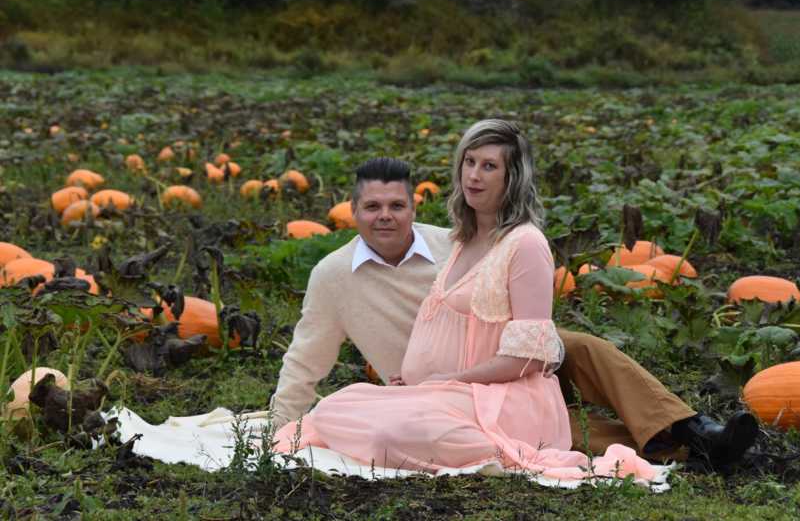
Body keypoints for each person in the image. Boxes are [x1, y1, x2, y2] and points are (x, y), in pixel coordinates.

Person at [271, 121, 757, 476]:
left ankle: (697, 430)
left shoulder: (448, 239)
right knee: (559, 432)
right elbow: (305, 357)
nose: (385, 217)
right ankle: (681, 445)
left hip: (500, 361)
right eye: (372, 207)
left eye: (396, 206)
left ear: (413, 207)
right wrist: (281, 424)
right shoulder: (333, 275)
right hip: (437, 388)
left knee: (582, 347)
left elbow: (518, 303)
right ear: (351, 212)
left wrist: (505, 360)